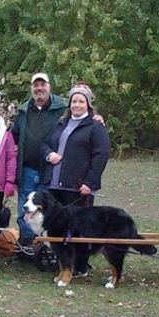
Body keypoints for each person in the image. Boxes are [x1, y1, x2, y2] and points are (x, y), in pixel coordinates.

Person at [40, 82, 110, 276]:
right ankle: (63, 264)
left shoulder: (95, 127)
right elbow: (45, 144)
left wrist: (90, 182)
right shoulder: (61, 124)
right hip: (55, 186)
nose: (77, 105)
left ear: (88, 104)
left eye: (81, 101)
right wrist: (49, 155)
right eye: (74, 101)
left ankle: (80, 266)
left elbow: (101, 155)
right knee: (58, 228)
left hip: (78, 188)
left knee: (79, 230)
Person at [12, 73, 67, 245]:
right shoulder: (23, 111)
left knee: (49, 211)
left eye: (43, 84)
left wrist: (96, 117)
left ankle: (48, 247)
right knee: (25, 209)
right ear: (31, 88)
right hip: (27, 169)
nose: (39, 89)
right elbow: (13, 136)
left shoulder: (62, 109)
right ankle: (27, 247)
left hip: (51, 170)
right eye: (36, 85)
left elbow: (81, 120)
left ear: (49, 86)